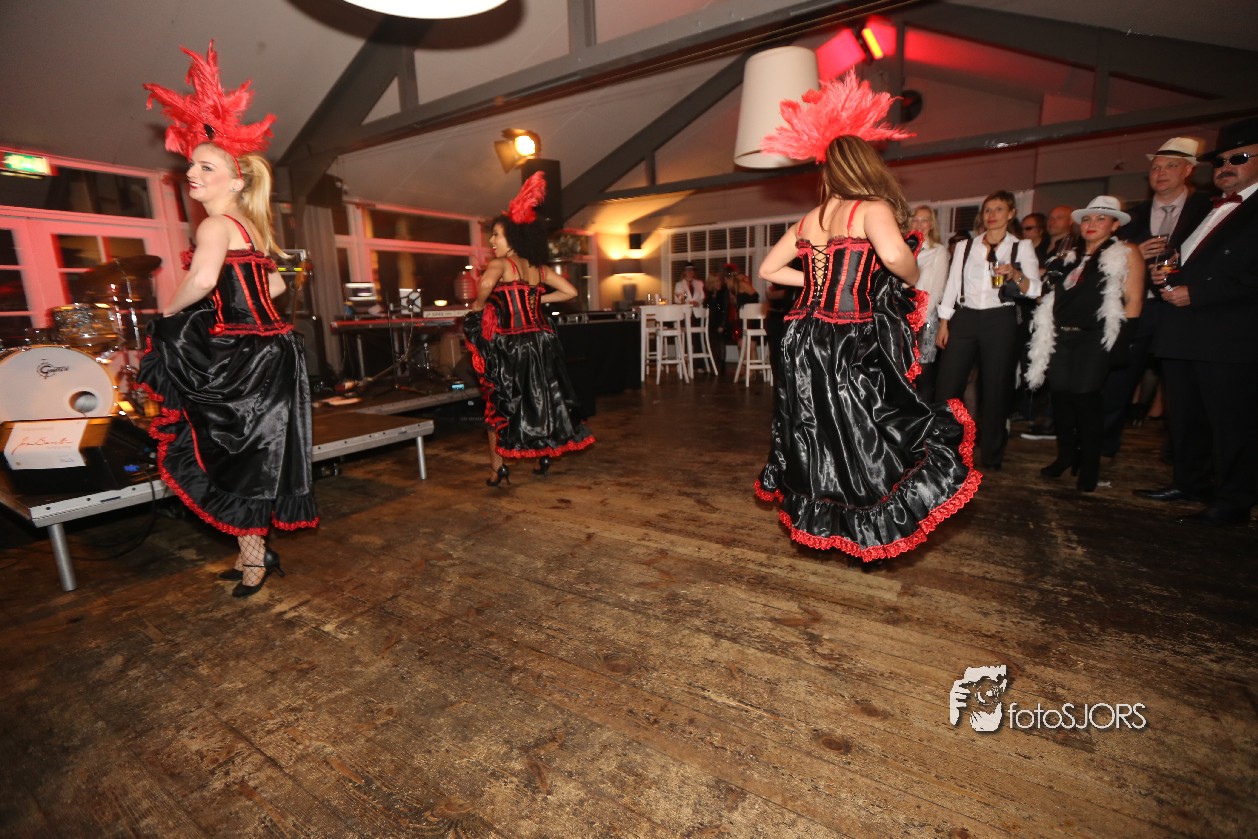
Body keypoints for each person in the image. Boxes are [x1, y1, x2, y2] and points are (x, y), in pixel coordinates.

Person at [752, 71, 981, 562]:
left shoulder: (809, 219)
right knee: (865, 427)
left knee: (814, 427)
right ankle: (865, 515)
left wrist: (812, 286)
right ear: (865, 166)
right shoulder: (870, 209)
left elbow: (769, 270)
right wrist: (907, 273)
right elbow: (898, 260)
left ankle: (826, 516)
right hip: (848, 334)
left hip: (801, 335)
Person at [139, 43, 317, 597]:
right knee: (249, 456)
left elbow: (201, 281)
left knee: (239, 456)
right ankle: (252, 556)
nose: (192, 173)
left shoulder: (216, 226)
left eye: (206, 167)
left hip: (247, 356)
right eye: (192, 164)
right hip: (273, 351)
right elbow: (277, 286)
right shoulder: (250, 227)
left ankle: (255, 561)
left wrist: (167, 313)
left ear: (236, 181)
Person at [1137, 116, 1258, 526]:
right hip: (1183, 327)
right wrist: (1165, 274)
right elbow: (1186, 259)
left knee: (1230, 421)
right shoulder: (1206, 207)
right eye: (1220, 161)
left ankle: (1234, 500)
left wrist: (1199, 292)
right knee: (1186, 416)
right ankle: (1191, 482)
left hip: (1229, 332)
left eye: (1238, 158)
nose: (1225, 167)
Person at [463, 172, 594, 487]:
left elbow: (485, 284)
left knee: (499, 404)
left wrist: (478, 306)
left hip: (513, 345)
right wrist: (537, 298)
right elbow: (570, 292)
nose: (492, 241)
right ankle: (543, 455)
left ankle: (498, 468)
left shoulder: (500, 265)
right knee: (542, 400)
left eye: (496, 235)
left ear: (513, 238)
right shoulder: (537, 267)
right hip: (542, 341)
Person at [1103, 137, 1213, 455]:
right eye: (1155, 168)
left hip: (1185, 309)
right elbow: (1108, 264)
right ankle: (1103, 448)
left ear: (1188, 170)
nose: (1160, 173)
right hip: (1140, 309)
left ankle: (1181, 456)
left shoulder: (1207, 210)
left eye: (1170, 166)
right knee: (1118, 381)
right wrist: (1135, 254)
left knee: (1182, 386)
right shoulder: (1131, 218)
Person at [1026, 197, 1144, 492]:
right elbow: (1044, 292)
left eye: (1101, 219)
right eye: (1088, 219)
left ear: (1114, 225)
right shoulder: (1067, 256)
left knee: (1086, 399)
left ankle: (1090, 465)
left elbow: (1133, 299)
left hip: (1095, 337)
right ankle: (1066, 456)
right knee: (1061, 400)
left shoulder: (1125, 252)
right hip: (1061, 336)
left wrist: (1122, 341)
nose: (1092, 224)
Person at [935, 191, 1043, 469]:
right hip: (965, 317)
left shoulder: (1021, 247)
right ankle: (942, 449)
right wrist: (944, 322)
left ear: (1011, 214)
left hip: (1000, 318)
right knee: (947, 385)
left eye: (998, 209)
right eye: (987, 210)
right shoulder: (966, 246)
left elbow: (1035, 290)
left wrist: (1015, 274)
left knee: (996, 388)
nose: (991, 215)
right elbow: (952, 285)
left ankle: (992, 456)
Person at [909, 205, 949, 402]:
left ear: (931, 224)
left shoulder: (938, 251)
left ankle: (925, 416)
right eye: (915, 220)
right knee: (904, 373)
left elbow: (938, 290)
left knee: (923, 374)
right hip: (901, 318)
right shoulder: (903, 250)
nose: (919, 224)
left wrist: (918, 320)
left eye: (924, 220)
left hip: (924, 320)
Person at [703, 270, 730, 375]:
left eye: (719, 281)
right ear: (711, 283)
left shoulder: (724, 292)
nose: (718, 283)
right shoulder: (710, 294)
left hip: (721, 320)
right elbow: (706, 306)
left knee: (721, 342)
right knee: (712, 343)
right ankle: (714, 363)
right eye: (715, 282)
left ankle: (721, 365)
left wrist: (722, 324)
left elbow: (726, 309)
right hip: (712, 321)